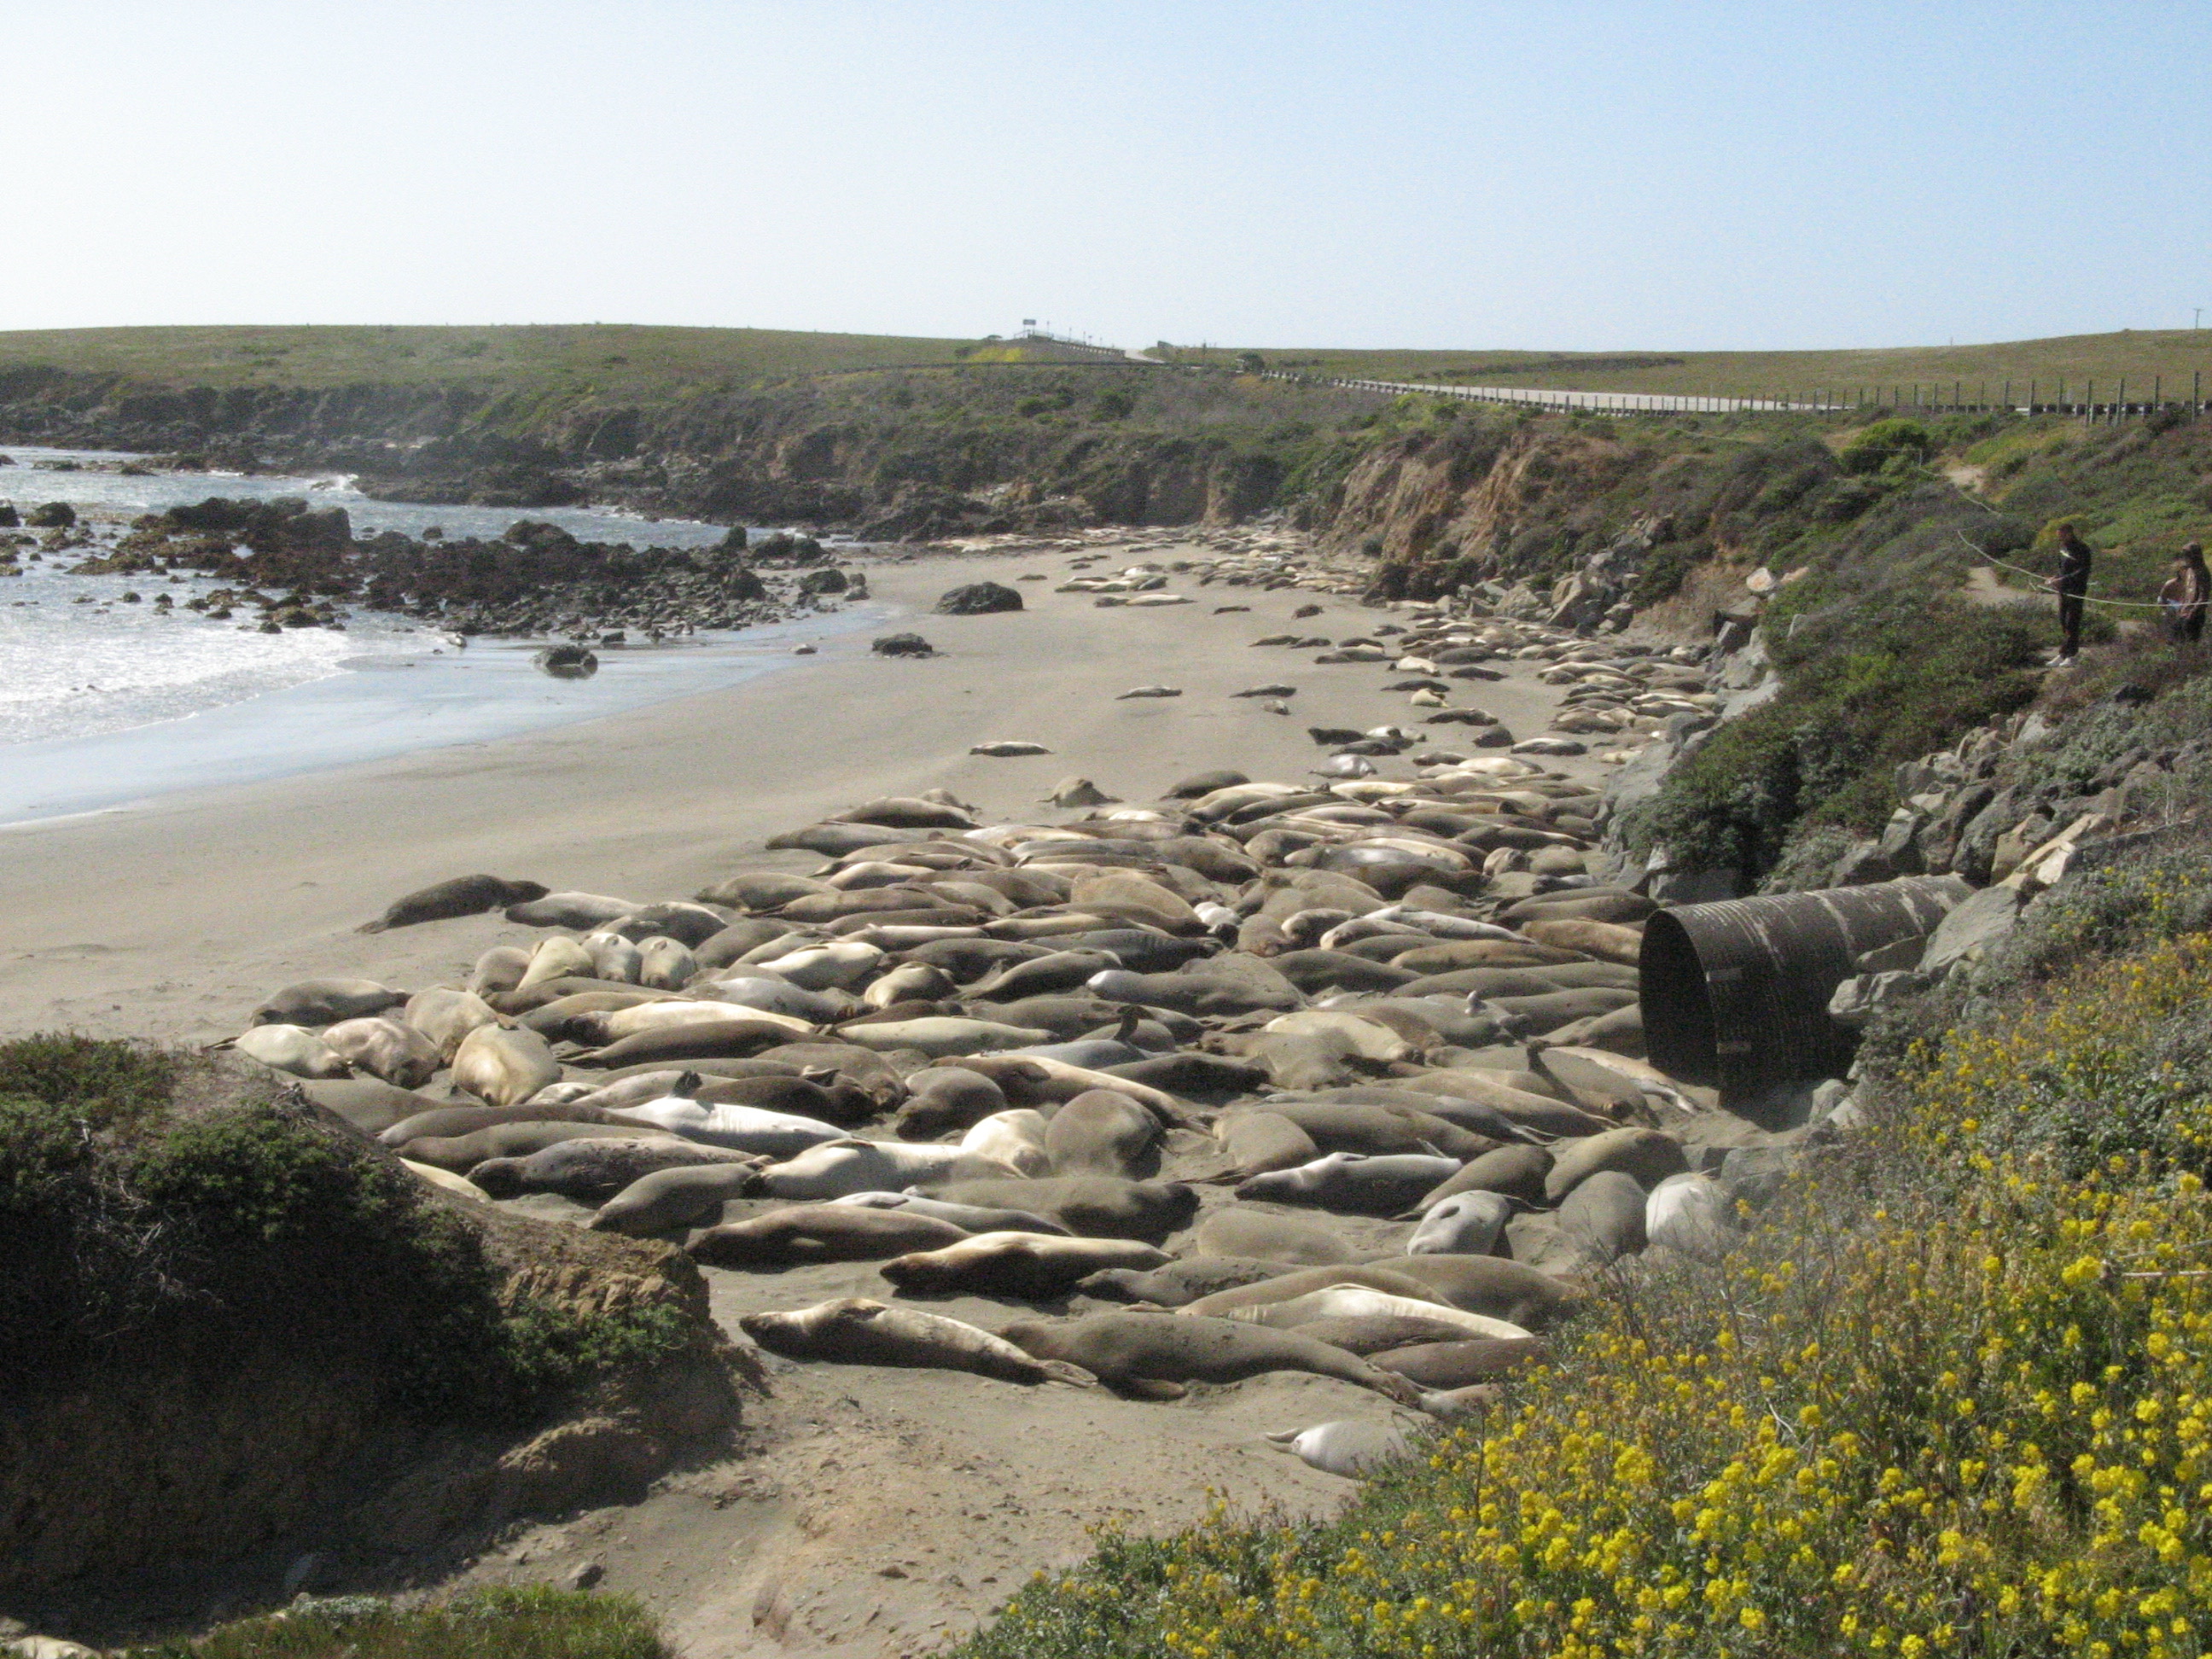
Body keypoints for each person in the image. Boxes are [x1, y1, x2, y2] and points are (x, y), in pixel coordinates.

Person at [2047, 522, 2093, 661]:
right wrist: (2055, 578)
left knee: (2072, 622)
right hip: (2064, 590)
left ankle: (2072, 655)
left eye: (2061, 534)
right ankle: (2063, 653)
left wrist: (2064, 580)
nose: (2059, 537)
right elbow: (2063, 568)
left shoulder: (2082, 549)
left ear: (2068, 533)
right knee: (2063, 620)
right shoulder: (2063, 548)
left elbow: (2082, 571)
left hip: (2076, 589)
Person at [2158, 540, 2210, 644]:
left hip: (2194, 615)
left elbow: (2203, 596)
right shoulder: (2189, 570)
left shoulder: (2203, 572)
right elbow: (2187, 591)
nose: (2185, 558)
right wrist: (2182, 607)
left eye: (2187, 555)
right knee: (2174, 639)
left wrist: (2192, 613)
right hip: (2184, 612)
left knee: (2190, 643)